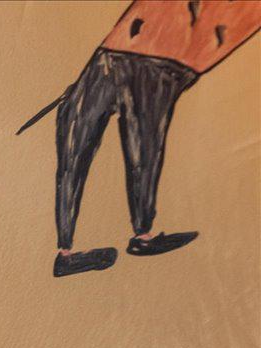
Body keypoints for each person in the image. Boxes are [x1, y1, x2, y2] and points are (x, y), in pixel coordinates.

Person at [42, 1, 261, 277]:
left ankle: (133, 237)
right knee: (111, 144)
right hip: (132, 57)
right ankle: (75, 251)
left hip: (151, 60)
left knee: (132, 147)